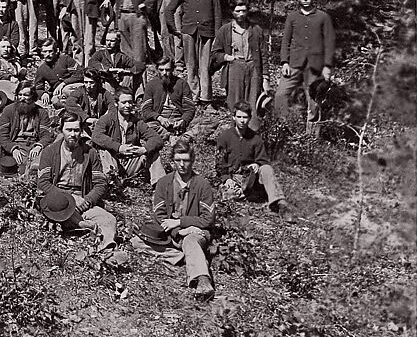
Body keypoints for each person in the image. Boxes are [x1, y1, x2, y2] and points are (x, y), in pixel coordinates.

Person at [133, 137, 216, 302]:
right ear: (172, 162)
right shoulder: (164, 183)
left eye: (186, 160)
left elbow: (208, 219)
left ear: (192, 161)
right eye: (178, 160)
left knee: (191, 241)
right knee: (137, 242)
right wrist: (178, 230)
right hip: (172, 233)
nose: (182, 165)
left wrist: (181, 223)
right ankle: (189, 257)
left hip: (196, 232)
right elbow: (160, 214)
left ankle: (202, 280)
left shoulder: (202, 184)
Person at [36, 112, 117, 252]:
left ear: (81, 131)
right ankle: (84, 226)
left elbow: (100, 184)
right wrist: (70, 199)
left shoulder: (90, 153)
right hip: (59, 201)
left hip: (83, 200)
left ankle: (107, 247)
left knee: (110, 220)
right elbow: (43, 183)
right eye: (69, 130)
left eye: (76, 130)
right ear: (61, 130)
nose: (72, 134)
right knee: (57, 213)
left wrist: (85, 202)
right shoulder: (50, 152)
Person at [274, 0, 336, 136]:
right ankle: (285, 131)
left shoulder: (323, 17)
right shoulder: (292, 17)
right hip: (294, 63)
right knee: (280, 96)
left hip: (315, 66)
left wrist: (327, 66)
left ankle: (311, 137)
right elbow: (285, 41)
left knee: (314, 102)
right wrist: (284, 62)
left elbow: (330, 42)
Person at [165, 0, 223, 106]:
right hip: (188, 32)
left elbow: (217, 15)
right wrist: (174, 29)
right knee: (191, 65)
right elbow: (169, 10)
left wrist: (217, 37)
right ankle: (193, 96)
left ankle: (206, 97)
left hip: (206, 33)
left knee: (205, 66)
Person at [215, 102, 288, 214]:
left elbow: (263, 160)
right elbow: (220, 162)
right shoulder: (224, 137)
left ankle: (279, 202)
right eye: (239, 117)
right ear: (234, 117)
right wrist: (226, 178)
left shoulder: (255, 138)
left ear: (249, 118)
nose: (242, 120)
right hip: (233, 177)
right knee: (228, 194)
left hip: (251, 177)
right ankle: (249, 194)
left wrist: (257, 164)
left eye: (245, 117)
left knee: (267, 169)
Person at [91, 89, 166, 187]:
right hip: (113, 162)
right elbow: (96, 136)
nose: (127, 106)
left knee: (153, 151)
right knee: (105, 151)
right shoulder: (107, 119)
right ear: (116, 103)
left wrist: (143, 149)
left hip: (131, 161)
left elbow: (157, 139)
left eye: (130, 102)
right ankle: (112, 181)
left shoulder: (137, 122)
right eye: (124, 102)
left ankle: (160, 185)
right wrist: (119, 147)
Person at [105, 0, 162, 76]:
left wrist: (146, 4)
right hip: (122, 18)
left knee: (139, 53)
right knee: (125, 52)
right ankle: (127, 85)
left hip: (136, 17)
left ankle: (140, 86)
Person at [213, 0, 265, 118]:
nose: (241, 14)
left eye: (243, 11)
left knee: (253, 102)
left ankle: (252, 133)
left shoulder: (256, 30)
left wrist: (266, 77)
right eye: (237, 11)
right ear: (232, 12)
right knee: (235, 103)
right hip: (235, 67)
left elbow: (263, 54)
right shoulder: (225, 30)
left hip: (253, 68)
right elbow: (215, 52)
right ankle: (236, 132)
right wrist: (226, 57)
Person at [0, 81, 51, 178]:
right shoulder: (8, 110)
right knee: (17, 168)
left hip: (34, 145)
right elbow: (2, 135)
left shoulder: (41, 113)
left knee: (40, 165)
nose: (22, 98)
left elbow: (46, 135)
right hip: (16, 144)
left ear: (33, 97)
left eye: (26, 95)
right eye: (20, 95)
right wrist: (13, 149)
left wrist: (39, 146)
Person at [141, 54, 197, 148]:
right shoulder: (151, 85)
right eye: (161, 70)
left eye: (167, 70)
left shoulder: (181, 83)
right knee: (145, 127)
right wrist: (159, 118)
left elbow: (190, 108)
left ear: (173, 69)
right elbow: (146, 110)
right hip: (159, 123)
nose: (164, 73)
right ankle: (171, 136)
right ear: (157, 69)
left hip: (178, 121)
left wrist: (183, 120)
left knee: (210, 122)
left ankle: (180, 136)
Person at [91, 28, 141, 99]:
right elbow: (92, 62)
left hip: (119, 83)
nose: (108, 43)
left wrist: (125, 71)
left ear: (118, 42)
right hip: (105, 83)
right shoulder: (100, 54)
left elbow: (138, 66)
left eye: (112, 41)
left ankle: (139, 98)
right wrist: (108, 70)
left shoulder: (121, 56)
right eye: (107, 40)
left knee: (135, 75)